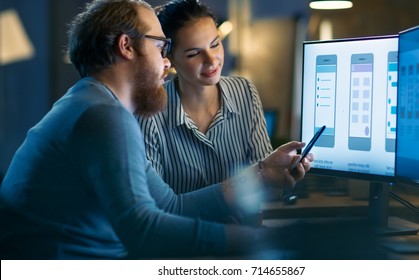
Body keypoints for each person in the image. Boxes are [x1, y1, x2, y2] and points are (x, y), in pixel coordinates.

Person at [0, 0, 311, 259]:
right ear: (126, 46)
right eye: (161, 46)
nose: (166, 62)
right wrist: (258, 241)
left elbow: (170, 206)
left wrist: (261, 172)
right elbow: (144, 231)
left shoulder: (91, 103)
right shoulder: (103, 115)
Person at [136, 0, 273, 194]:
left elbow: (265, 175)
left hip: (245, 222)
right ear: (170, 59)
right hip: (183, 224)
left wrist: (281, 173)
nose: (211, 60)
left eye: (215, 44)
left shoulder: (244, 92)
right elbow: (155, 203)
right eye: (194, 54)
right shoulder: (150, 113)